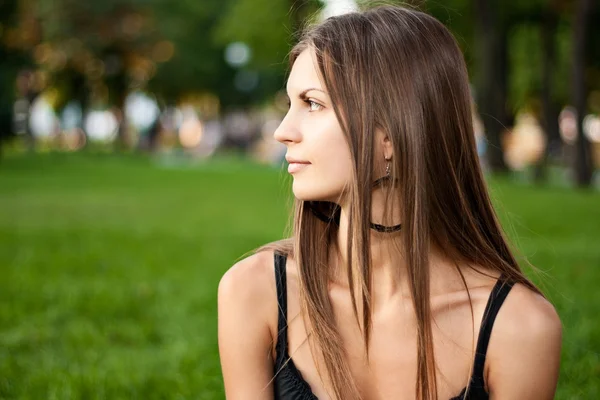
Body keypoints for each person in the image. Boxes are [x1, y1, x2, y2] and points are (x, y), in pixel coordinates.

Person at [218, 5, 562, 400]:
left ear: (392, 135)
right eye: (290, 104)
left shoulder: (518, 327)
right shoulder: (253, 291)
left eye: (312, 104)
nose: (282, 131)